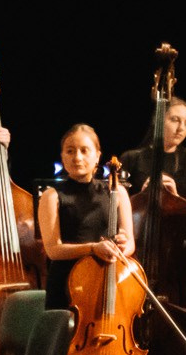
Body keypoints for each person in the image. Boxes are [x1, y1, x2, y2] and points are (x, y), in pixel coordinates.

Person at [37, 125, 133, 301]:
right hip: (67, 286)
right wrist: (93, 248)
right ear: (62, 157)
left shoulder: (117, 192)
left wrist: (121, 246)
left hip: (107, 281)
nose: (77, 157)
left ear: (97, 155)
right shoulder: (51, 196)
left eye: (84, 150)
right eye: (70, 151)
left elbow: (130, 245)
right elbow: (53, 250)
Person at [121, 95, 186, 207]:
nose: (181, 128)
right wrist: (143, 195)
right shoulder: (131, 158)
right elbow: (118, 207)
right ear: (157, 120)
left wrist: (176, 198)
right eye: (175, 120)